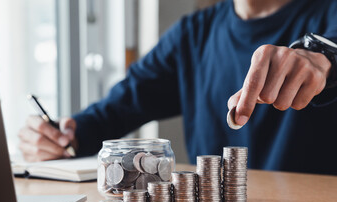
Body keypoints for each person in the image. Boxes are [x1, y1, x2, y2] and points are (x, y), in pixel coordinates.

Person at [18, 0, 337, 175]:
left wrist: (322, 59)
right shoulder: (192, 34)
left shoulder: (329, 15)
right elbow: (114, 110)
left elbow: (330, 52)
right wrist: (60, 136)